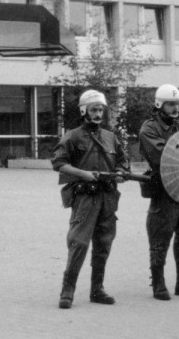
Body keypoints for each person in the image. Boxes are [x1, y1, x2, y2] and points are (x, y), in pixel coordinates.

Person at [51, 88, 128, 309]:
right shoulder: (73, 136)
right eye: (94, 109)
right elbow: (58, 162)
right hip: (85, 197)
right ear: (84, 110)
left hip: (107, 197)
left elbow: (123, 162)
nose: (98, 114)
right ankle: (67, 290)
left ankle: (97, 289)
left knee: (104, 243)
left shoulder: (110, 138)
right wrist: (82, 173)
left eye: (101, 110)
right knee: (79, 242)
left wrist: (122, 173)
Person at [137, 84, 179, 300]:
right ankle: (158, 283)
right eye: (171, 104)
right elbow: (162, 157)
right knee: (160, 236)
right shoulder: (149, 129)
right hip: (164, 191)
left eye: (178, 103)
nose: (176, 107)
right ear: (159, 105)